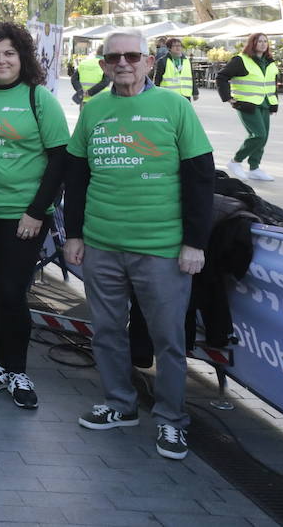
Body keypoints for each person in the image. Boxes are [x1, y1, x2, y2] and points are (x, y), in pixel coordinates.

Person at [64, 30, 214, 461]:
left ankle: (170, 420)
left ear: (150, 61)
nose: (123, 63)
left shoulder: (174, 107)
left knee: (168, 339)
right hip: (102, 245)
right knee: (108, 332)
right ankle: (119, 405)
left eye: (132, 55)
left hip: (162, 248)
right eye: (114, 58)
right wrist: (74, 234)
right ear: (104, 65)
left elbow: (201, 178)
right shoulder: (94, 111)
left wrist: (194, 243)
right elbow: (76, 176)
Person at [0, 22, 69, 410]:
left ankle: (18, 369)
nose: (1, 60)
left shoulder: (39, 99)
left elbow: (60, 160)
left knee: (11, 292)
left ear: (22, 57)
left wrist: (36, 212)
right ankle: (0, 367)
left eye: (9, 53)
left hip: (23, 218)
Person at [216, 32, 278, 182]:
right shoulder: (241, 60)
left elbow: (271, 83)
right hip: (246, 104)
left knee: (263, 138)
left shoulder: (269, 61)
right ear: (252, 43)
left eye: (265, 41)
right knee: (258, 135)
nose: (263, 44)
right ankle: (235, 162)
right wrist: (229, 99)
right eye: (259, 41)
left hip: (265, 103)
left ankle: (254, 168)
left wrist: (274, 103)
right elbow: (221, 77)